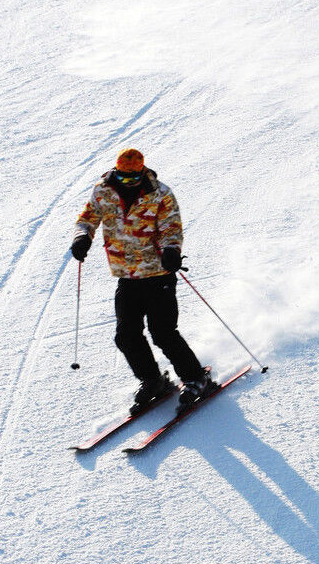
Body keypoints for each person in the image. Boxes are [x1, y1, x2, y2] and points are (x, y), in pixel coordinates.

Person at [70, 148, 215, 412]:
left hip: (158, 272)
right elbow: (88, 218)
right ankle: (153, 380)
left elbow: (172, 226)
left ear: (142, 172)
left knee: (163, 333)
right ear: (116, 171)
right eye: (123, 177)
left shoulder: (160, 193)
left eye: (133, 177)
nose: (128, 182)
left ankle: (197, 378)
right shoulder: (103, 191)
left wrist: (172, 250)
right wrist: (82, 237)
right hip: (126, 275)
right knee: (126, 336)